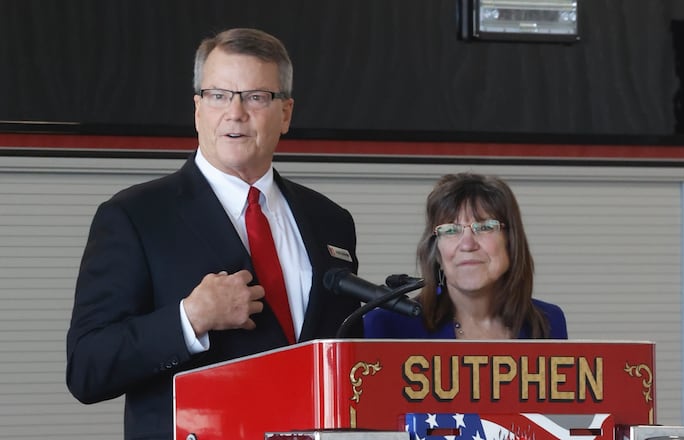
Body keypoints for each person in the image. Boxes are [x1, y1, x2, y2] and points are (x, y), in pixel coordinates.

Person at [66, 28, 362, 440]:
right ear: (198, 109)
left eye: (257, 96)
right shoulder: (134, 216)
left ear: (286, 113)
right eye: (219, 95)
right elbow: (87, 368)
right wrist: (190, 319)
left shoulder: (330, 220)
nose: (236, 112)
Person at [364, 172, 567, 339]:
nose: (467, 244)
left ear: (511, 241)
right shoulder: (387, 325)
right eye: (451, 230)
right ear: (436, 250)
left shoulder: (548, 322)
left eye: (485, 227)